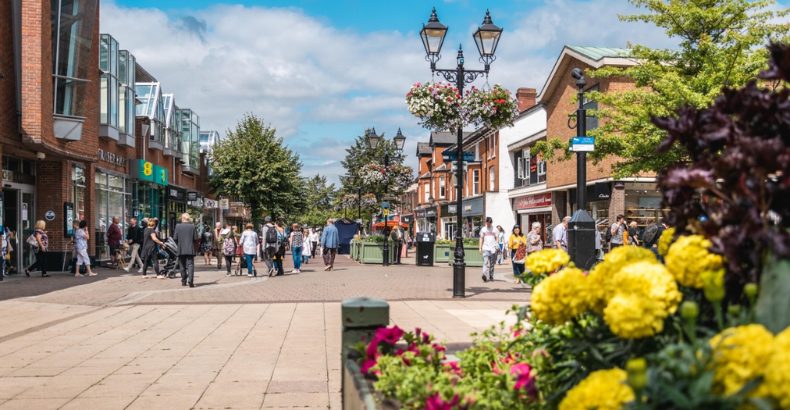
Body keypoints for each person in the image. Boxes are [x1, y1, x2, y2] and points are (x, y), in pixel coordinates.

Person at [173, 213, 198, 287]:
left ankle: (184, 281)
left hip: (181, 248)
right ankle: (190, 281)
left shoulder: (178, 226)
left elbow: (175, 238)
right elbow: (195, 238)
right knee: (190, 265)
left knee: (182, 265)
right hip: (190, 248)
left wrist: (179, 243)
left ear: (182, 218)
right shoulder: (193, 226)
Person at [479, 216, 498, 283]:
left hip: (493, 248)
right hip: (485, 248)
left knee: (492, 264)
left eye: (489, 223)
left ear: (491, 222)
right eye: (487, 223)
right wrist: (480, 248)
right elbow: (481, 238)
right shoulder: (483, 229)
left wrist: (496, 246)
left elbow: (496, 238)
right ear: (486, 222)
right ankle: (484, 274)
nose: (488, 224)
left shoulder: (495, 229)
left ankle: (491, 275)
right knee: (485, 262)